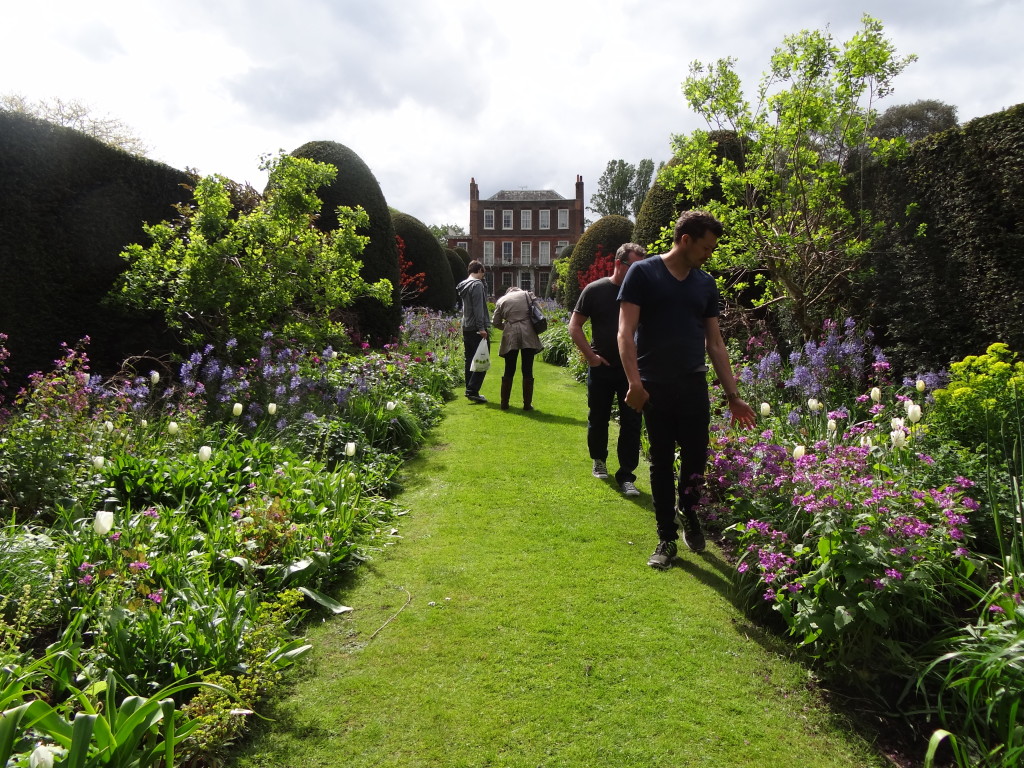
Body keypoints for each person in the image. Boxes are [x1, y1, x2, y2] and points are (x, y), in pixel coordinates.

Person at [617, 211, 756, 569]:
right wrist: (634, 382)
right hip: (654, 387)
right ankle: (666, 537)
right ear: (686, 240)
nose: (709, 254)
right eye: (706, 248)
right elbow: (625, 332)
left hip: (693, 384)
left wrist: (733, 395)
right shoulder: (643, 273)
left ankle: (689, 514)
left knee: (696, 459)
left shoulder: (705, 284)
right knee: (661, 463)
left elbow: (716, 343)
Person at [569, 242, 647, 496]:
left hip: (631, 370)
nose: (638, 273)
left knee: (632, 422)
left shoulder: (642, 294)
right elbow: (575, 326)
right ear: (618, 263)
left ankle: (626, 475)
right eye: (633, 267)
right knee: (599, 417)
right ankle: (599, 460)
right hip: (602, 366)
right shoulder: (596, 290)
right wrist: (591, 357)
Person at [490, 285, 544, 410]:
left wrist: (507, 325)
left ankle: (504, 403)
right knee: (527, 368)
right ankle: (527, 404)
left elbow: (495, 322)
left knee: (509, 368)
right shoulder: (528, 295)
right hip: (528, 332)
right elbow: (538, 312)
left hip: (510, 333)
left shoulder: (501, 300)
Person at [456, 260, 490, 403]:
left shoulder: (463, 285)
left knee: (469, 359)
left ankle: (469, 389)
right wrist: (481, 328)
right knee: (482, 359)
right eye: (483, 273)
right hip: (476, 328)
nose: (483, 276)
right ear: (480, 270)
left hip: (466, 326)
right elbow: (478, 308)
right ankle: (472, 390)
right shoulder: (476, 285)